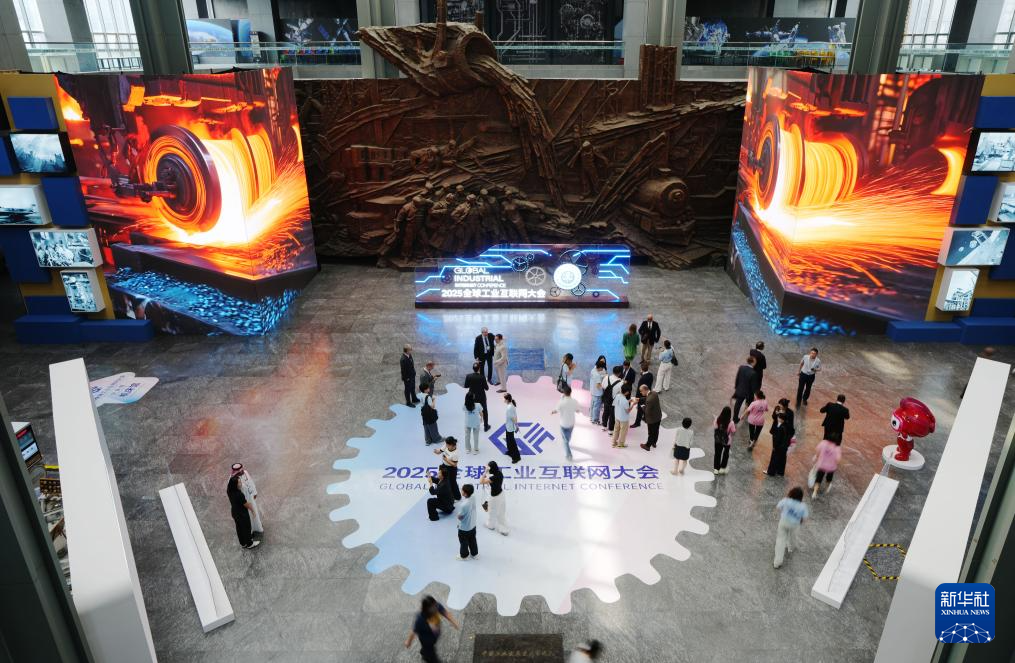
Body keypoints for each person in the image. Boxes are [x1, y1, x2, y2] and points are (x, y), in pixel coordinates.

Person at [405, 595, 460, 663]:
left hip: (434, 635)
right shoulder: (420, 619)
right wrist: (408, 641)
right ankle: (428, 657)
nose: (436, 608)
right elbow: (413, 631)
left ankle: (424, 652)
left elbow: (445, 613)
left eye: (435, 605)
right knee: (432, 657)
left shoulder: (436, 606)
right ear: (426, 610)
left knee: (426, 649)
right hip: (426, 640)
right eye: (433, 608)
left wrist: (454, 622)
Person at [773, 487, 809, 569]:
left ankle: (777, 562)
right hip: (795, 524)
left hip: (784, 522)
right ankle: (790, 548)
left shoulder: (786, 500)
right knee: (793, 536)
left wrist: (781, 511)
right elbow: (805, 517)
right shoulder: (803, 506)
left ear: (791, 493)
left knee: (780, 540)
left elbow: (778, 507)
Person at [227, 473, 260, 549]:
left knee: (239, 528)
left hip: (234, 512)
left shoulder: (229, 491)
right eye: (239, 483)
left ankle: (243, 543)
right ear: (235, 485)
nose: (241, 483)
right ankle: (250, 544)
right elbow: (246, 504)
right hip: (242, 514)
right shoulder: (239, 494)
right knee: (247, 528)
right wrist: (253, 511)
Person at [230, 463, 263, 534]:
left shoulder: (245, 472)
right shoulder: (232, 479)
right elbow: (232, 492)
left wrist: (254, 492)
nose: (241, 472)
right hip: (243, 501)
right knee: (247, 516)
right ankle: (250, 531)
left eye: (241, 470)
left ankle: (257, 528)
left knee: (254, 512)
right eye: (239, 471)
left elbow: (251, 482)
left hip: (250, 497)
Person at [479, 460, 508, 535]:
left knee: (491, 512)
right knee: (501, 512)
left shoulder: (493, 478)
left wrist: (485, 472)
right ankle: (503, 528)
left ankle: (490, 525)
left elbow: (481, 481)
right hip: (501, 494)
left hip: (494, 498)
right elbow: (490, 477)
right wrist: (488, 471)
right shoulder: (499, 473)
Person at [552, 384, 580, 461]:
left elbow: (556, 410)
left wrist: (552, 412)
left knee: (565, 441)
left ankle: (569, 455)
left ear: (563, 393)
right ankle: (567, 442)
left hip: (563, 424)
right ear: (571, 392)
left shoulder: (561, 402)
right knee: (568, 437)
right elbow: (578, 410)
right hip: (571, 423)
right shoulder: (574, 401)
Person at [464, 361, 491, 431]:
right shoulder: (482, 377)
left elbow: (466, 386)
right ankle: (486, 426)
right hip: (481, 397)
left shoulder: (468, 376)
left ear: (473, 368)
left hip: (472, 397)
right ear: (479, 369)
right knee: (484, 411)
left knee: (473, 411)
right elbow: (487, 388)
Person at [456, 484, 479, 560]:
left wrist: (458, 517)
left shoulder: (463, 505)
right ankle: (474, 554)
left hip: (464, 528)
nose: (461, 491)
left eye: (462, 490)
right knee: (473, 540)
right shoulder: (473, 497)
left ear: (465, 493)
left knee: (463, 542)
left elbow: (460, 517)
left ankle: (464, 556)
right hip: (473, 525)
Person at [433, 436, 461, 500]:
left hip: (451, 469)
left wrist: (446, 460)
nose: (446, 445)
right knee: (441, 479)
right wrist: (436, 451)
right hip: (443, 466)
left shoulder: (455, 453)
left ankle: (457, 497)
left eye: (447, 445)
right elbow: (439, 451)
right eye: (446, 444)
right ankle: (443, 493)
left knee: (452, 483)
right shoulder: (446, 445)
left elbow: (454, 464)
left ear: (452, 445)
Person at [732, 355, 757, 424]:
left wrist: (736, 388)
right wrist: (755, 394)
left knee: (737, 404)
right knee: (749, 404)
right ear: (752, 362)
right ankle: (747, 415)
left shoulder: (741, 367)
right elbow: (753, 386)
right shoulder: (753, 373)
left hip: (740, 390)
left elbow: (737, 378)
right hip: (749, 393)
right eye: (755, 361)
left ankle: (735, 418)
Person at [765, 411, 790, 477]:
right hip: (784, 446)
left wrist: (774, 446)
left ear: (782, 419)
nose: (778, 419)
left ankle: (770, 472)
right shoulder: (787, 426)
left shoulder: (781, 428)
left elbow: (778, 439)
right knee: (781, 459)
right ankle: (780, 472)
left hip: (778, 446)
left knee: (774, 459)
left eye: (779, 418)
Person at [713, 406, 735, 475]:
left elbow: (715, 427)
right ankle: (722, 468)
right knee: (725, 454)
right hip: (727, 441)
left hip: (718, 439)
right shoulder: (731, 422)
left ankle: (716, 469)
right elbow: (733, 431)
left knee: (717, 453)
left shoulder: (717, 419)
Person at [638, 384, 662, 451]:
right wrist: (639, 399)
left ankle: (647, 446)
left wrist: (642, 406)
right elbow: (647, 398)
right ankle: (654, 443)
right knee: (656, 430)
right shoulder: (654, 393)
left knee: (651, 432)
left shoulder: (649, 400)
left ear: (644, 390)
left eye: (641, 391)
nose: (640, 392)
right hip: (658, 416)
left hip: (652, 419)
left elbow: (647, 412)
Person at [631, 361, 654, 428]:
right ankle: (645, 418)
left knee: (640, 409)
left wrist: (637, 398)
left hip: (641, 396)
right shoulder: (650, 375)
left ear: (641, 369)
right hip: (648, 394)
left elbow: (639, 389)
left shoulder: (642, 379)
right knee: (645, 407)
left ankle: (637, 423)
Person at [612, 384, 635, 448]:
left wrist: (628, 401)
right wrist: (633, 404)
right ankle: (620, 444)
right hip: (624, 419)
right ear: (627, 392)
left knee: (616, 430)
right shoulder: (625, 401)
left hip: (617, 416)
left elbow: (620, 403)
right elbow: (628, 411)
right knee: (623, 431)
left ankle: (614, 442)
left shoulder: (617, 396)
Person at [420, 382, 443, 447]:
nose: (429, 389)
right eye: (428, 388)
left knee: (426, 426)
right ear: (425, 390)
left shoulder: (421, 395)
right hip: (429, 413)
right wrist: (434, 400)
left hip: (424, 413)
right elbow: (432, 406)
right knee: (432, 425)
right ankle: (437, 439)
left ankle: (428, 440)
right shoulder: (428, 397)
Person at [601, 366, 622, 433]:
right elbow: (620, 393)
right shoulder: (620, 382)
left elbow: (603, 386)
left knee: (605, 412)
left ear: (613, 371)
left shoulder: (606, 377)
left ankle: (604, 426)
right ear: (619, 373)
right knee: (612, 415)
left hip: (606, 398)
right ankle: (610, 430)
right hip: (614, 401)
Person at [589, 358, 608, 425]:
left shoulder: (593, 370)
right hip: (597, 393)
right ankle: (595, 420)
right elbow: (598, 385)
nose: (602, 369)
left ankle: (592, 417)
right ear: (600, 367)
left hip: (593, 391)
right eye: (602, 368)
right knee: (597, 407)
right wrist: (605, 387)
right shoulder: (597, 375)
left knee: (593, 405)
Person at [503, 392, 521, 463]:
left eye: (504, 399)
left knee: (512, 442)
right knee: (508, 439)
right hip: (508, 426)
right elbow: (515, 416)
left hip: (510, 426)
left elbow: (513, 418)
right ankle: (510, 451)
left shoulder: (510, 408)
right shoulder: (510, 405)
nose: (503, 400)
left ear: (507, 400)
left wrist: (516, 426)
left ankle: (517, 457)